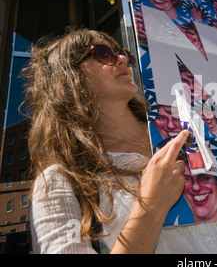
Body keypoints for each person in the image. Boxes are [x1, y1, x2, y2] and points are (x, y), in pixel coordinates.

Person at [24, 29, 192, 253]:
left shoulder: (183, 137)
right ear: (68, 79)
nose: (122, 59)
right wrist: (151, 204)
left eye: (123, 54)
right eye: (103, 54)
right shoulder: (61, 180)